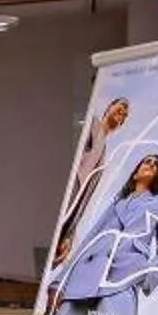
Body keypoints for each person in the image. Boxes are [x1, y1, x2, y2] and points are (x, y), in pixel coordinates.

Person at [49, 153, 158, 315]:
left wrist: (149, 274)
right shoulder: (117, 202)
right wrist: (59, 283)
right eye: (147, 161)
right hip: (86, 274)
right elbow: (90, 240)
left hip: (126, 275)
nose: (152, 165)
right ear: (135, 173)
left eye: (157, 165)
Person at [48, 96, 131, 273]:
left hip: (74, 207)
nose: (121, 114)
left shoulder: (104, 152)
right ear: (109, 106)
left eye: (124, 114)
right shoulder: (90, 126)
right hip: (66, 196)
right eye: (120, 108)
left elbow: (86, 196)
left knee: (56, 258)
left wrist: (70, 234)